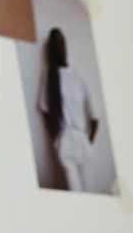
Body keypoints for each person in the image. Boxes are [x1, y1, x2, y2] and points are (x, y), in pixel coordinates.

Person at [36, 26, 104, 192]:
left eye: (62, 42)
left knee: (90, 190)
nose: (60, 48)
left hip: (81, 140)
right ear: (52, 50)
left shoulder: (78, 75)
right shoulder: (49, 75)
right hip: (64, 140)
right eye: (55, 44)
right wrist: (56, 139)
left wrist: (88, 141)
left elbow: (95, 116)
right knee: (75, 191)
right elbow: (44, 108)